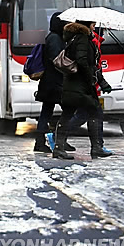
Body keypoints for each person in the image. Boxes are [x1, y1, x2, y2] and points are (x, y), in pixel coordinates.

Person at [53, 20, 112, 160]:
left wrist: (100, 81)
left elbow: (89, 63)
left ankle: (58, 148)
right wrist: (90, 78)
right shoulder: (82, 39)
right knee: (94, 112)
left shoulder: (75, 37)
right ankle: (96, 148)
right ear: (86, 25)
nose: (94, 26)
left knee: (68, 114)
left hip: (73, 84)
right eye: (92, 24)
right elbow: (82, 61)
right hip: (79, 85)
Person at [66, 27, 114, 155]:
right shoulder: (92, 42)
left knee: (84, 114)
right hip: (87, 86)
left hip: (86, 85)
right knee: (95, 114)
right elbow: (93, 67)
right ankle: (97, 147)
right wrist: (99, 83)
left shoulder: (89, 41)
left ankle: (97, 146)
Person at [33, 12, 75, 153]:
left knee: (46, 111)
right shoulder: (55, 39)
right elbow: (57, 61)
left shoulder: (53, 37)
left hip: (50, 82)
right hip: (55, 82)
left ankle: (42, 142)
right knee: (69, 109)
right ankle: (59, 140)